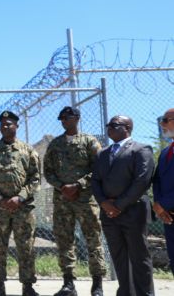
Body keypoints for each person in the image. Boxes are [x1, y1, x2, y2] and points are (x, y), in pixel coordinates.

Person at [43, 106, 107, 296]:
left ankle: (97, 284)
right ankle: (68, 283)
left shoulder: (90, 141)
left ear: (77, 118)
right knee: (64, 241)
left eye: (68, 117)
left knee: (93, 240)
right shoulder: (55, 144)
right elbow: (48, 171)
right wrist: (62, 186)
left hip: (85, 200)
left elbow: (99, 168)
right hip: (62, 200)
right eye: (62, 118)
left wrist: (78, 185)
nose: (64, 121)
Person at [0, 111, 40, 296]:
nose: (5, 127)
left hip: (22, 208)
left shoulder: (28, 150)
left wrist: (19, 197)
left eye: (9, 124)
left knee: (26, 247)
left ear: (16, 126)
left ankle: (28, 286)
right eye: (3, 124)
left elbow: (35, 177)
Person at [92, 115, 154, 296]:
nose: (108, 128)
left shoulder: (141, 149)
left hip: (133, 211)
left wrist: (118, 205)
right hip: (109, 215)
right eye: (108, 125)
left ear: (127, 128)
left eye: (114, 125)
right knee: (119, 257)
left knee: (139, 256)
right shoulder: (102, 153)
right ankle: (126, 292)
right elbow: (95, 181)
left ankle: (145, 293)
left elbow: (142, 181)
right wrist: (104, 203)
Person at [153, 108, 174, 276]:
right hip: (169, 216)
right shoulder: (166, 152)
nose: (162, 124)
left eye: (166, 120)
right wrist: (158, 205)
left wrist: (162, 204)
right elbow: (157, 180)